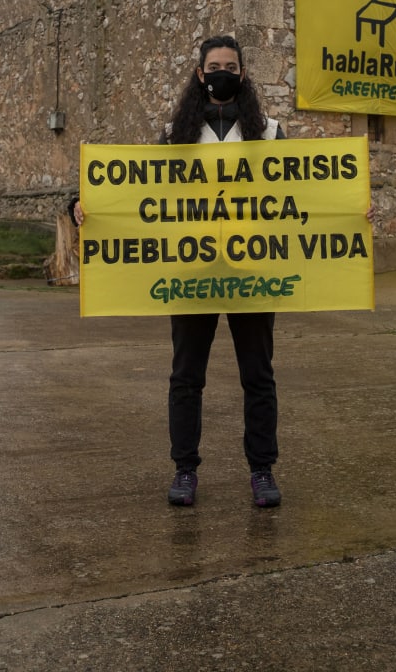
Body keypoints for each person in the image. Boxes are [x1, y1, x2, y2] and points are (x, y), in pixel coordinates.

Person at [71, 33, 284, 510]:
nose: (223, 71)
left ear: (244, 73)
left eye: (231, 64)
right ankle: (185, 470)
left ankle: (262, 470)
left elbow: (306, 194)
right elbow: (139, 191)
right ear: (200, 73)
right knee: (187, 376)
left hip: (253, 271)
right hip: (192, 271)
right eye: (215, 65)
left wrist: (355, 209)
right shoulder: (175, 135)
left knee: (259, 375)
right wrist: (87, 205)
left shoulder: (269, 132)